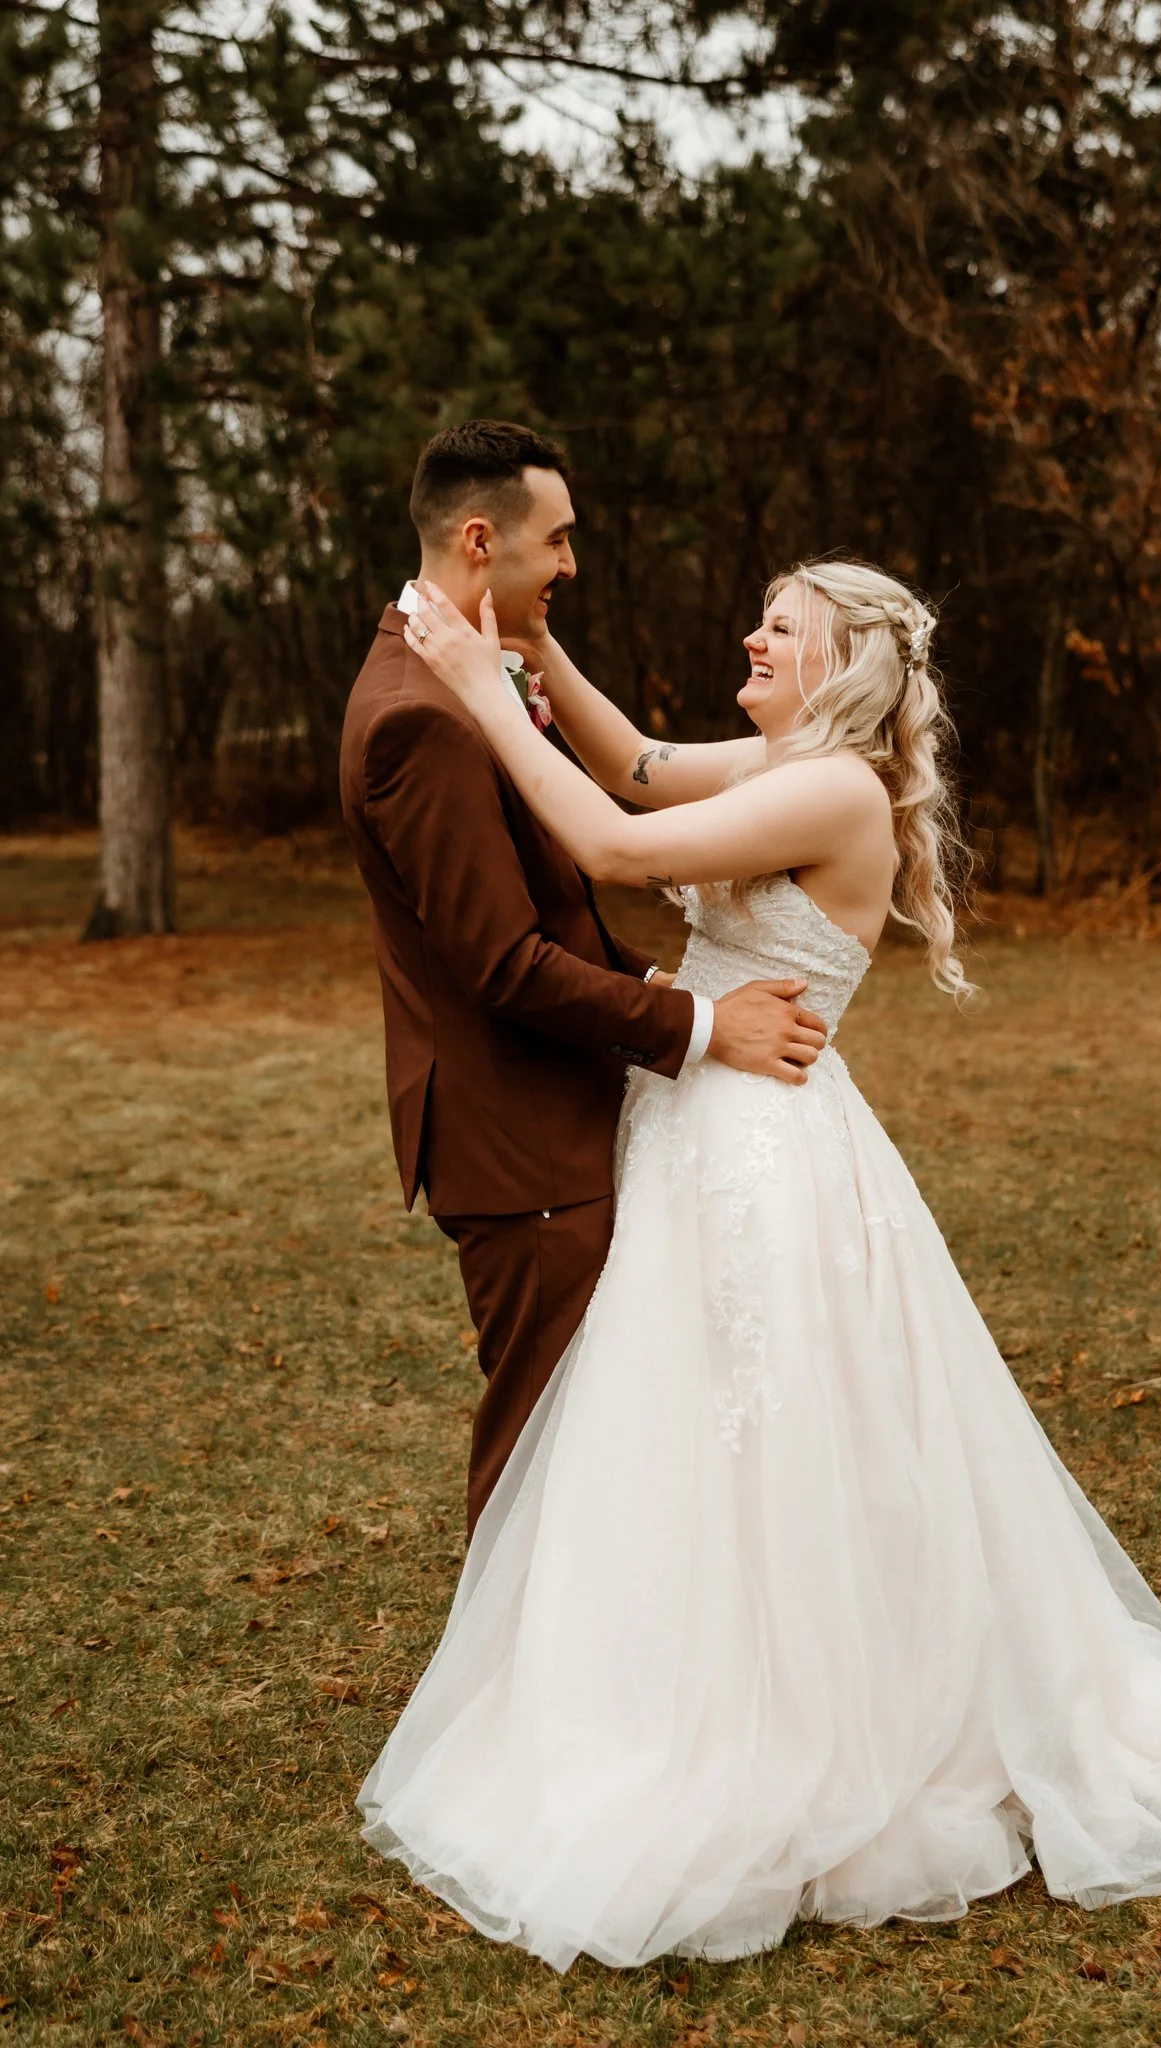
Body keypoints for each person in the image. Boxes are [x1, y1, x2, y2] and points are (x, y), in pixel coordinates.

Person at [357, 555, 1161, 1971]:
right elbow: (646, 764)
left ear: (839, 659)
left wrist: (486, 687)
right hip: (696, 1117)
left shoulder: (837, 790)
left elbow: (612, 844)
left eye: (776, 626)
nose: (750, 632)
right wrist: (544, 643)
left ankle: (805, 1721)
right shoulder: (788, 753)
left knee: (774, 1429)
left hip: (764, 1152)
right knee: (672, 1422)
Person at [338, 421, 828, 1534]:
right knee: (539, 1443)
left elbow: (552, 900)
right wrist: (701, 1021)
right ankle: (502, 1700)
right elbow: (507, 963)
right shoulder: (422, 719)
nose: (571, 564)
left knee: (595, 1435)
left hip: (548, 1121)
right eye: (555, 541)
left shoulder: (459, 682)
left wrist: (651, 972)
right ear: (480, 539)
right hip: (517, 1143)